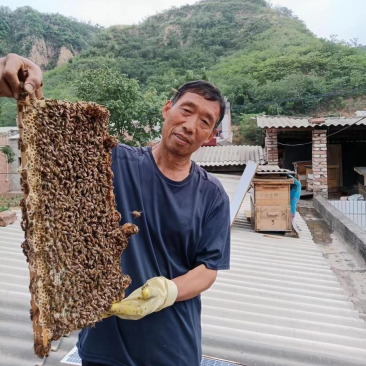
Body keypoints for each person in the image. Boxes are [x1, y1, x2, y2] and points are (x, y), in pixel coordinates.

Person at [0, 54, 231, 366]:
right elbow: (53, 136)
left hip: (173, 349)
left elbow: (209, 268)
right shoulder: (114, 161)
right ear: (167, 109)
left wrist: (168, 290)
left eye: (205, 121)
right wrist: (29, 82)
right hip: (102, 346)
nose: (190, 125)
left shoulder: (212, 194)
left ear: (210, 135)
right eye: (186, 110)